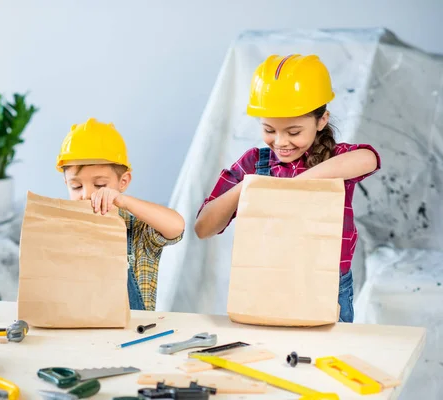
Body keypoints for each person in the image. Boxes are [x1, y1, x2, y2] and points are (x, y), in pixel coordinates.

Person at [194, 54, 381, 323]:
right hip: (265, 284)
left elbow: (369, 158)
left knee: (320, 359)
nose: (281, 142)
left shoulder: (337, 159)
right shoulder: (254, 163)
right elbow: (203, 228)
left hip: (326, 286)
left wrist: (296, 186)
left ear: (321, 120)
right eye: (269, 129)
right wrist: (248, 187)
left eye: (293, 132)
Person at [56, 118, 185, 311]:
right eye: (76, 186)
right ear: (66, 184)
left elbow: (176, 226)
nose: (87, 194)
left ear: (123, 182)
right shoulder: (58, 229)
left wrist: (123, 201)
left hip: (131, 334)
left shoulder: (138, 230)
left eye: (100, 185)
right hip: (76, 334)